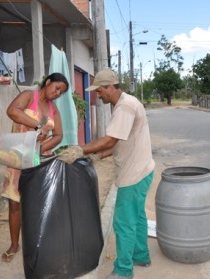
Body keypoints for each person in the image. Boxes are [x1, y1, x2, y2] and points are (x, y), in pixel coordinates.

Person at [59, 68, 155, 279]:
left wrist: (80, 149)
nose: (98, 95)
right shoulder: (125, 103)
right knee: (137, 217)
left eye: (99, 91)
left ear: (110, 87)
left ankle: (123, 271)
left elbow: (111, 139)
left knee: (123, 222)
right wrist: (99, 156)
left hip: (134, 174)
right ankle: (141, 255)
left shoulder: (124, 107)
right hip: (143, 169)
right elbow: (121, 141)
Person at [1, 72, 69, 262]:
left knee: (39, 204)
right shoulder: (29, 96)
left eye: (61, 92)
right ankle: (14, 245)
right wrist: (39, 124)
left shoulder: (53, 109)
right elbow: (13, 111)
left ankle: (39, 243)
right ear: (48, 82)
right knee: (15, 204)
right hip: (17, 158)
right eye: (56, 88)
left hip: (39, 160)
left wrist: (38, 150)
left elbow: (58, 135)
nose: (57, 93)